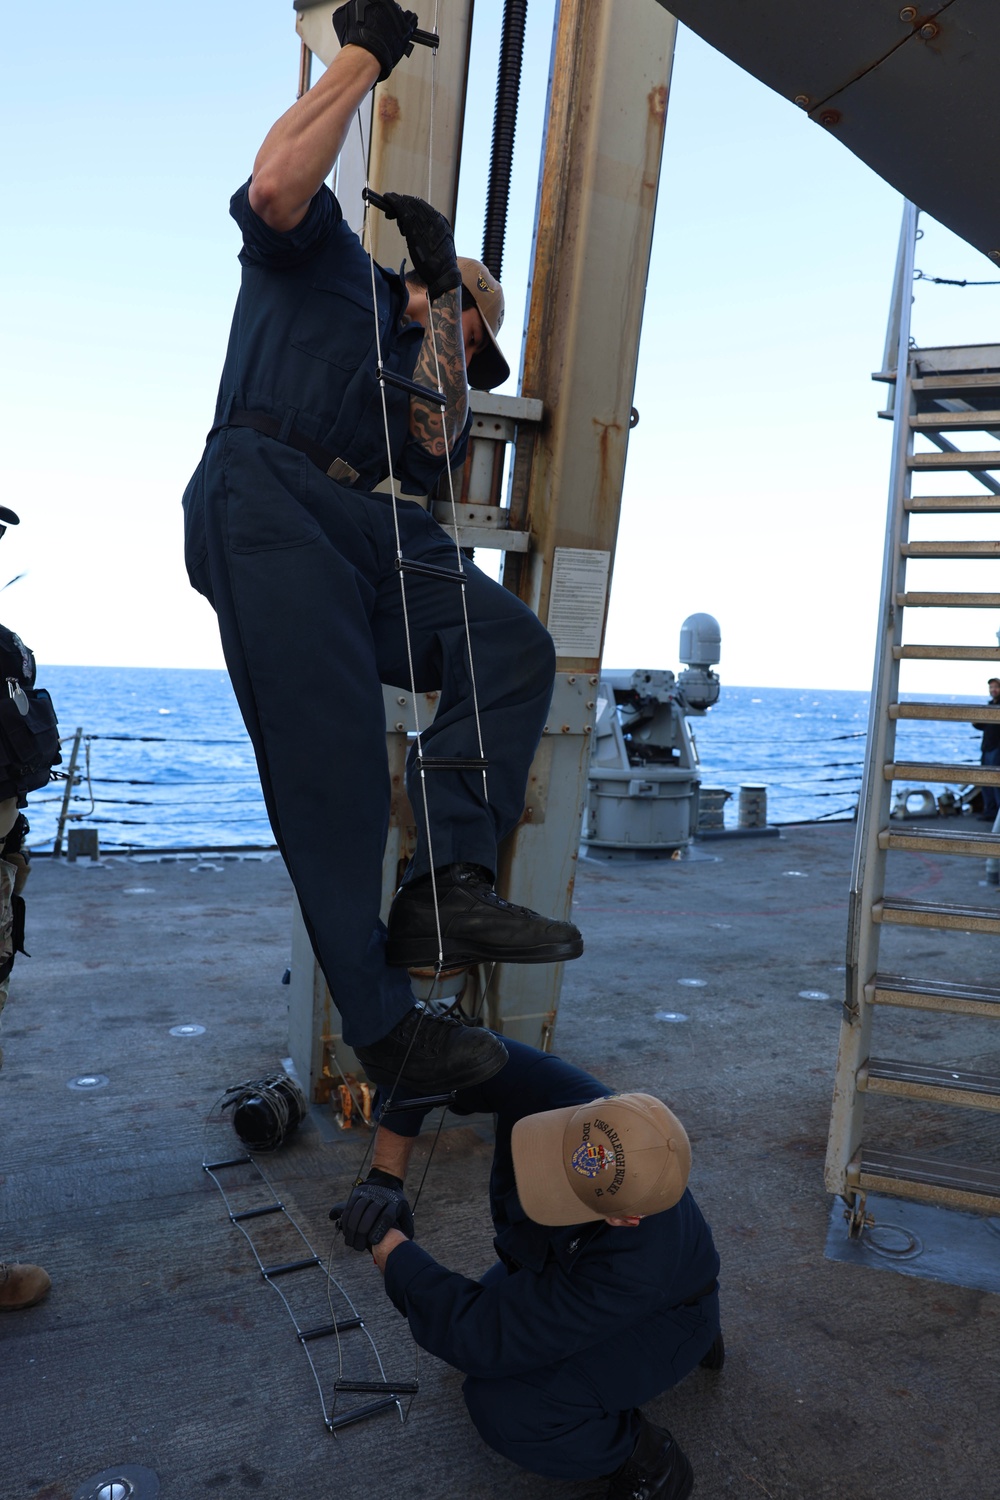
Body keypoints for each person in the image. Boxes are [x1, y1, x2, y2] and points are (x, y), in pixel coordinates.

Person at [181, 0, 582, 1094]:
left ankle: (447, 884)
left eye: (471, 337)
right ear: (414, 291)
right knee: (337, 772)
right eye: (462, 329)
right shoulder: (324, 264)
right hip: (268, 491)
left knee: (511, 648)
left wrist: (447, 298)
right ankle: (383, 1026)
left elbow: (437, 438)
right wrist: (362, 55)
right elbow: (273, 186)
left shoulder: (425, 371)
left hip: (373, 526)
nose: (463, 348)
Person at [336, 1039, 721, 1498]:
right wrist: (385, 1176)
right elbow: (420, 1053)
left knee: (506, 1405)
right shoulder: (574, 1100)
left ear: (625, 1218)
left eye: (565, 1189)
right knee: (486, 1323)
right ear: (602, 1105)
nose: (544, 1172)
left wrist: (387, 1243)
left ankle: (646, 1459)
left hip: (663, 1313)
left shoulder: (633, 1264)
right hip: (570, 1268)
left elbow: (478, 1334)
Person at [972, 677, 1000, 821]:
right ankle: (990, 811)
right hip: (987, 747)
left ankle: (996, 814)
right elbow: (985, 726)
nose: (993, 690)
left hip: (997, 748)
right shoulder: (990, 705)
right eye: (991, 687)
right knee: (986, 780)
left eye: (996, 687)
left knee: (996, 781)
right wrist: (975, 722)